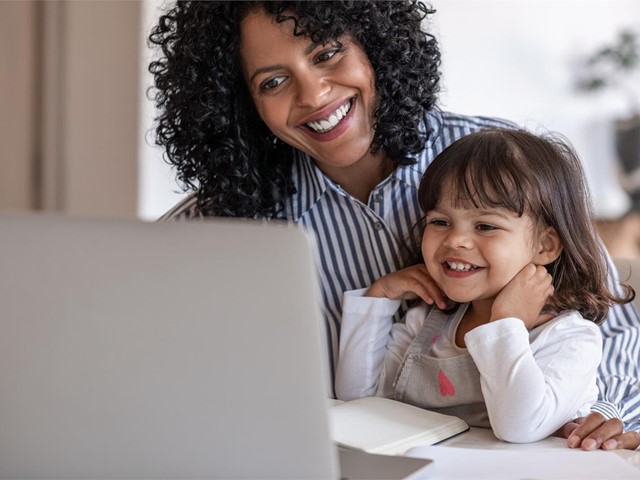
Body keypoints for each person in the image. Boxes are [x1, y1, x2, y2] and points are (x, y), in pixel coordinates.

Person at [148, 1, 640, 449]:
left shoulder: (498, 162)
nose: (314, 93)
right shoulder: (223, 221)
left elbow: (614, 323)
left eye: (327, 54)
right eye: (272, 82)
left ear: (374, 44)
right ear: (242, 106)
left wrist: (604, 412)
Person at [335, 128, 634, 442]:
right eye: (440, 222)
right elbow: (359, 400)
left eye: (486, 226)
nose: (456, 240)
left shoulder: (568, 338)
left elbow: (518, 427)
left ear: (545, 245)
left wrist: (507, 323)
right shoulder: (426, 322)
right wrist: (379, 298)